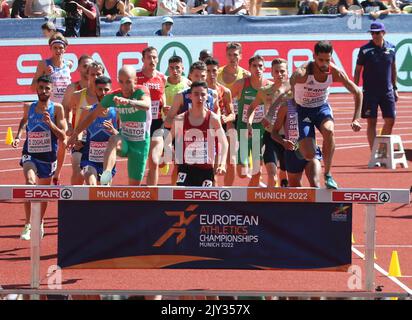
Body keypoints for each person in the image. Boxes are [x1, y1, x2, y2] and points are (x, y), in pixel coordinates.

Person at [290, 40, 362, 189]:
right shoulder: (302, 73)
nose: (324, 64)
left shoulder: (335, 72)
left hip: (321, 108)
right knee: (309, 155)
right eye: (321, 60)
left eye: (327, 60)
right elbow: (287, 88)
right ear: (314, 56)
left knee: (329, 131)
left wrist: (356, 118)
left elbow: (357, 92)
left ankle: (328, 174)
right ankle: (303, 145)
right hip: (303, 110)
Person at [68, 65, 151, 186]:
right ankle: (106, 174)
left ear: (135, 80)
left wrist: (129, 102)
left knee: (134, 187)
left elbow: (146, 104)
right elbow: (92, 116)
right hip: (124, 140)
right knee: (113, 139)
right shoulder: (113, 96)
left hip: (140, 144)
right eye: (121, 82)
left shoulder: (141, 90)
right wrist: (75, 134)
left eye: (128, 82)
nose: (125, 86)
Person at [12, 75, 66, 240]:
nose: (43, 91)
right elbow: (24, 120)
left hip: (48, 157)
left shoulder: (57, 109)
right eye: (41, 87)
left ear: (51, 90)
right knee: (29, 183)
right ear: (36, 88)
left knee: (43, 194)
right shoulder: (29, 106)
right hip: (30, 154)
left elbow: (63, 135)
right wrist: (18, 135)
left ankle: (39, 221)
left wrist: (51, 124)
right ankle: (28, 224)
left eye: (47, 88)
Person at [169, 81, 228, 187]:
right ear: (190, 96)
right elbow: (168, 140)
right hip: (185, 167)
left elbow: (224, 143)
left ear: (207, 97)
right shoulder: (180, 119)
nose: (199, 98)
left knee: (205, 201)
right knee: (183, 197)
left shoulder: (213, 119)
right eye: (196, 94)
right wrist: (171, 153)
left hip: (206, 170)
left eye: (203, 94)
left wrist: (222, 164)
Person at [31, 33, 72, 185]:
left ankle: (57, 174)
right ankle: (40, 172)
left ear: (65, 49)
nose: (58, 50)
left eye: (61, 48)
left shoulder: (68, 65)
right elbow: (32, 86)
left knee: (63, 143)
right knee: (46, 144)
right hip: (48, 109)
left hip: (64, 110)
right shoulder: (43, 64)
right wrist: (44, 74)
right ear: (50, 48)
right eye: (55, 47)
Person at [354, 22, 397, 156]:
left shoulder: (392, 48)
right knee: (371, 122)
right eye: (372, 33)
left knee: (391, 120)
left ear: (384, 32)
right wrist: (356, 89)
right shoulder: (365, 50)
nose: (374, 35)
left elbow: (394, 68)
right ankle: (376, 154)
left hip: (387, 91)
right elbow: (357, 71)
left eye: (377, 32)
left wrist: (395, 87)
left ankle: (382, 149)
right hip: (370, 92)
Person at [246, 58, 289, 188]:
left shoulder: (293, 91)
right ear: (271, 73)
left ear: (287, 72)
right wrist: (249, 123)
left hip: (289, 137)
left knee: (285, 172)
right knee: (271, 173)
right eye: (276, 71)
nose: (279, 74)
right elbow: (251, 107)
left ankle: (285, 189)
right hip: (271, 136)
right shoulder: (264, 91)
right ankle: (270, 203)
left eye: (282, 71)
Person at [231, 55, 271, 187]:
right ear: (249, 68)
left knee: (257, 170)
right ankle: (252, 178)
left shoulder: (269, 86)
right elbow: (225, 99)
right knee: (242, 172)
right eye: (254, 66)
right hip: (243, 130)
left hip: (260, 131)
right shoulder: (241, 84)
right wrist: (231, 116)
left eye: (260, 66)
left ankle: (252, 195)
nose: (257, 69)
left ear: (264, 68)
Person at [271, 93, 322, 188]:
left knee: (315, 185)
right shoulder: (286, 107)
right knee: (295, 188)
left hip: (310, 150)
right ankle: (304, 203)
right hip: (293, 152)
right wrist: (283, 142)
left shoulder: (312, 106)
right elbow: (274, 132)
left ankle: (316, 202)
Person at [67, 61, 105, 185]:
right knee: (78, 172)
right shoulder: (78, 95)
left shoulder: (108, 97)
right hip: (81, 140)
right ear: (87, 76)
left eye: (98, 74)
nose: (95, 77)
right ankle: (75, 200)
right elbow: (68, 110)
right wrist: (70, 126)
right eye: (92, 74)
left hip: (100, 143)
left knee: (100, 182)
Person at [136, 47, 166, 186]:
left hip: (157, 122)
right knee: (138, 162)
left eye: (154, 57)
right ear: (143, 60)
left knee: (154, 160)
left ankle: (151, 194)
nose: (152, 60)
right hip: (139, 122)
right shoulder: (136, 77)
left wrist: (165, 107)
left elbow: (162, 96)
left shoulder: (161, 77)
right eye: (149, 57)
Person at [80, 76, 119, 185]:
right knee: (90, 182)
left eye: (106, 90)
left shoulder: (117, 112)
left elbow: (123, 136)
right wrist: (77, 141)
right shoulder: (88, 111)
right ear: (95, 90)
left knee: (104, 190)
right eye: (100, 89)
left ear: (111, 91)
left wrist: (113, 130)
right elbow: (79, 130)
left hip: (108, 162)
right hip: (89, 159)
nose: (103, 92)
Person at [205, 58, 235, 186]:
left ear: (218, 72)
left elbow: (232, 114)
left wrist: (226, 118)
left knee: (229, 163)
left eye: (214, 71)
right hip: (204, 132)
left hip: (221, 130)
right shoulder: (199, 91)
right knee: (212, 168)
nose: (211, 74)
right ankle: (214, 196)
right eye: (208, 71)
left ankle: (227, 194)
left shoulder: (225, 91)